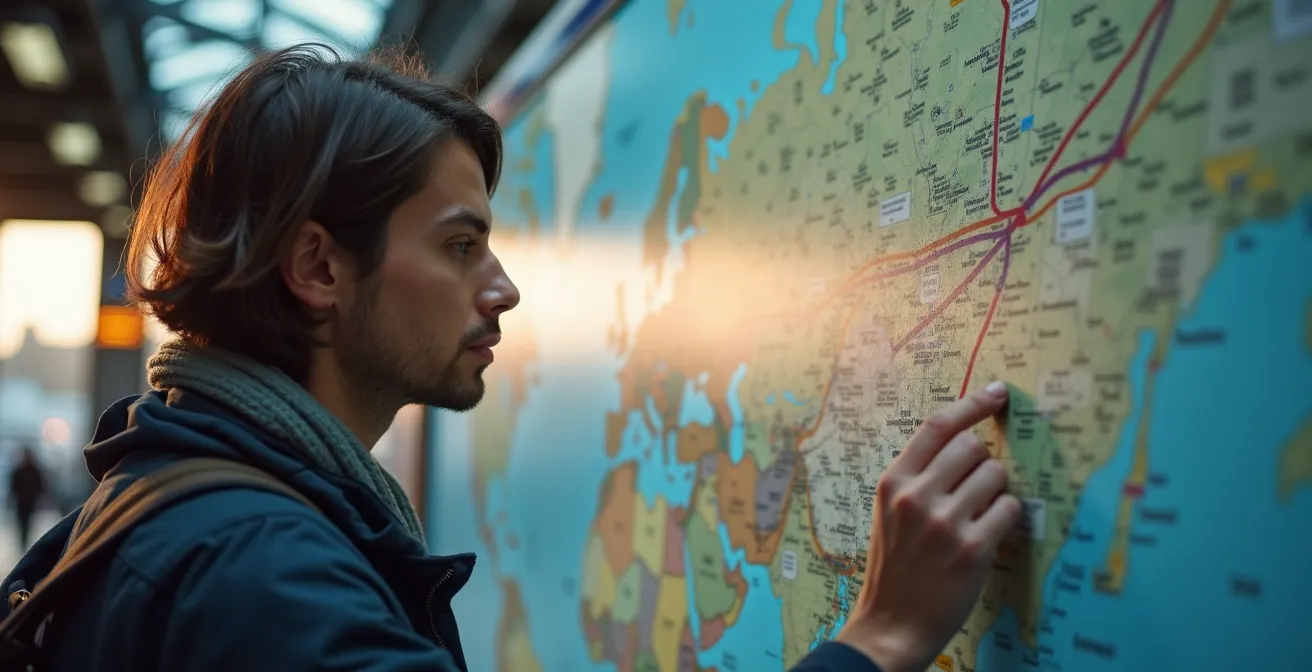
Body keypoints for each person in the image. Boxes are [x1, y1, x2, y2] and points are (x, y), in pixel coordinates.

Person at [2, 45, 1020, 672]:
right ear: (319, 267)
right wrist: (880, 638)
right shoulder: (264, 579)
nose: (502, 288)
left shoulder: (174, 493)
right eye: (460, 246)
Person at [6, 446, 45, 552]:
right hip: (22, 502)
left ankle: (25, 542)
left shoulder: (33, 471)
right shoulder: (20, 471)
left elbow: (40, 486)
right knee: (22, 524)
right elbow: (13, 487)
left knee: (27, 524)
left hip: (29, 502)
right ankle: (23, 542)